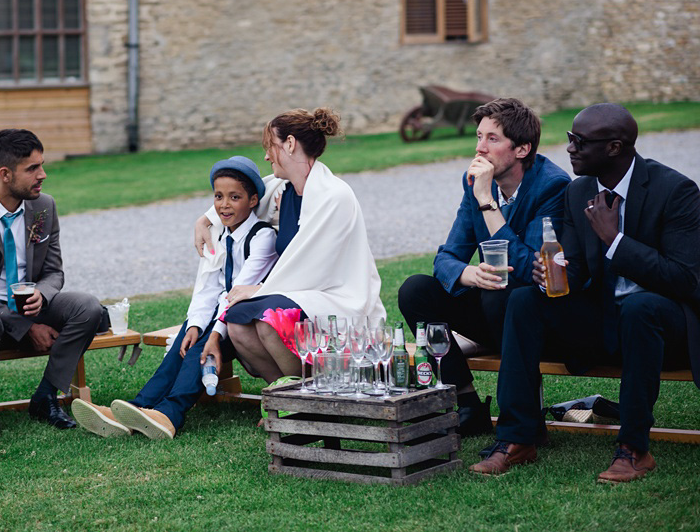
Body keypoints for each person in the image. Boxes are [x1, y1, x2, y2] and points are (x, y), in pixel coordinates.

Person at [471, 104, 700, 482]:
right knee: (525, 300)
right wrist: (550, 274)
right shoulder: (579, 192)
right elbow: (575, 271)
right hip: (606, 318)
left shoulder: (675, 191)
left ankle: (634, 450)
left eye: (579, 142)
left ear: (613, 147)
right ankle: (518, 438)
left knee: (640, 306)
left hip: (665, 327)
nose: (570, 148)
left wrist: (615, 241)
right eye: (570, 139)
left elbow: (686, 279)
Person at [71, 156, 278, 439]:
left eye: (234, 197)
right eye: (218, 196)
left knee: (200, 349)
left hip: (242, 320)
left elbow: (238, 293)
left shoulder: (263, 237)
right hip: (219, 311)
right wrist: (194, 325)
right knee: (185, 340)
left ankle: (170, 414)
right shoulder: (219, 233)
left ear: (253, 200)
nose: (224, 205)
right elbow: (209, 287)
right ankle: (136, 408)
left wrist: (213, 334)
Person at [397, 98, 570, 435]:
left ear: (522, 149)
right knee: (415, 290)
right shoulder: (475, 183)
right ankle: (467, 404)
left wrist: (488, 203)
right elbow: (446, 258)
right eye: (479, 136)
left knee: (501, 292)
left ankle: (520, 415)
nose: (480, 148)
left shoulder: (552, 185)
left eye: (492, 139)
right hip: (493, 311)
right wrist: (469, 274)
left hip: (536, 317)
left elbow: (531, 269)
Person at [0, 129, 108, 437]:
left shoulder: (44, 206)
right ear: (5, 174)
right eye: (32, 168)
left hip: (29, 304)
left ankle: (46, 396)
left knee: (87, 307)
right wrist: (27, 327)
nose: (42, 175)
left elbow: (54, 272)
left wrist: (42, 294)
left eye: (41, 165)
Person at [197, 108, 386, 382]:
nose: (266, 156)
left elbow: (314, 268)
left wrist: (261, 289)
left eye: (270, 146)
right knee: (237, 321)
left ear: (289, 144)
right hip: (299, 293)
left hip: (337, 297)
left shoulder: (334, 195)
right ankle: (282, 393)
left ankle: (311, 393)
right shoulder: (282, 190)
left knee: (270, 319)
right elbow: (241, 201)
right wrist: (204, 221)